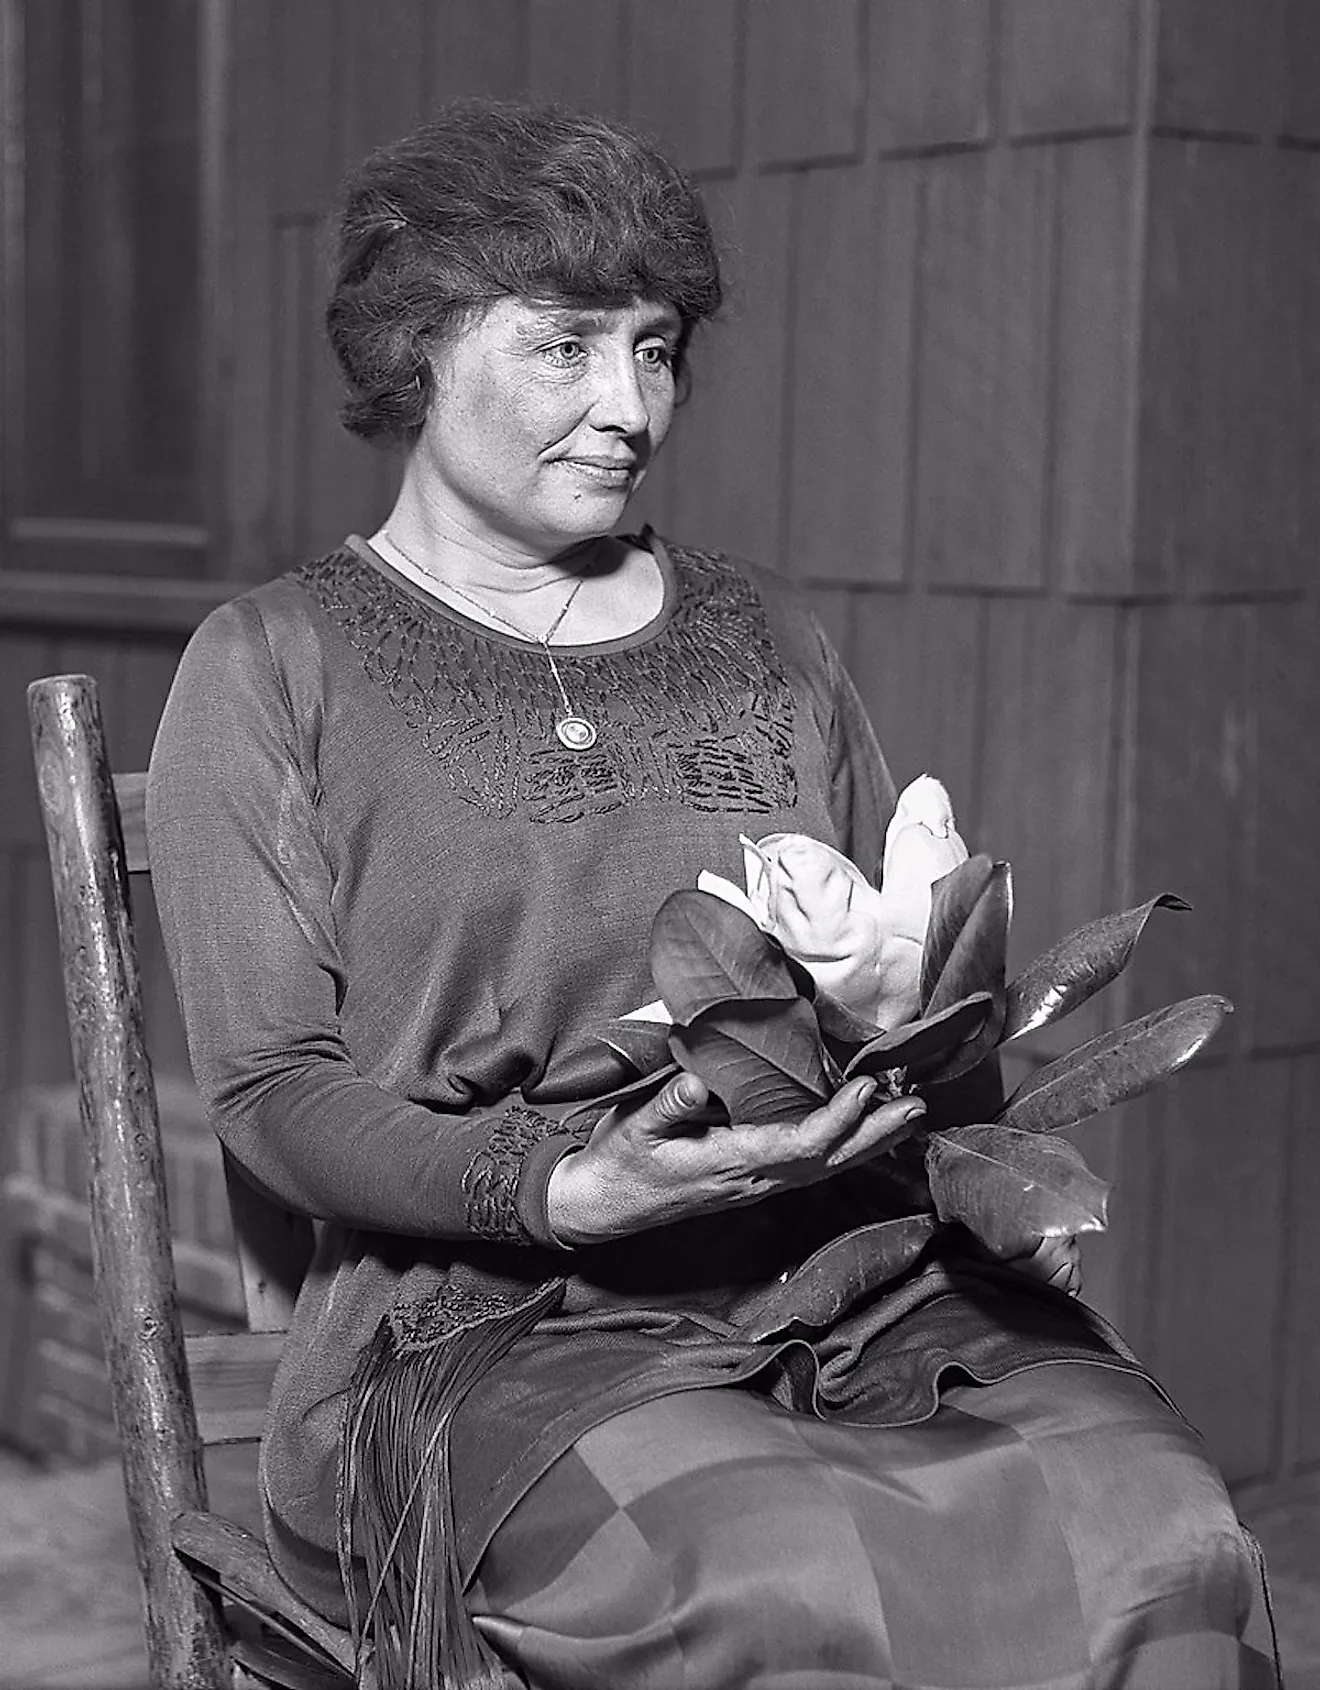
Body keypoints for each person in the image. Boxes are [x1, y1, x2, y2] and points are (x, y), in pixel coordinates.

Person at [148, 100, 1278, 1690]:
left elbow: (931, 1004)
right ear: (416, 347)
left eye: (658, 349)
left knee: (1162, 1527)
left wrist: (919, 1008)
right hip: (488, 1330)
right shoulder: (278, 666)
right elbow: (271, 1092)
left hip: (855, 1280)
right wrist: (559, 1187)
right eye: (565, 346)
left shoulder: (768, 641)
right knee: (779, 1577)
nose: (629, 405)